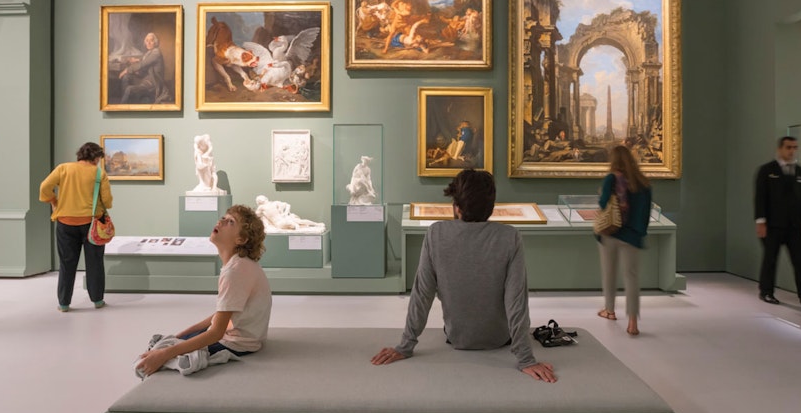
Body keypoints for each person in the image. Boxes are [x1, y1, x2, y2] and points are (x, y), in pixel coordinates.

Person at [371, 169, 557, 383]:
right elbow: (516, 302)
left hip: (457, 338)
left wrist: (405, 346)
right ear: (491, 207)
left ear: (456, 206)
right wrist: (526, 359)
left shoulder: (436, 234)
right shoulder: (509, 237)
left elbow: (422, 295)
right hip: (499, 339)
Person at [135, 205, 271, 378]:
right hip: (245, 336)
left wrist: (165, 354)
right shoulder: (240, 264)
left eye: (230, 222)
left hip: (239, 344)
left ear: (241, 239)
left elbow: (216, 332)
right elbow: (222, 314)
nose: (221, 221)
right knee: (171, 342)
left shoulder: (234, 271)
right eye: (223, 217)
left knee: (158, 355)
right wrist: (184, 333)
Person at [39, 142, 113, 312]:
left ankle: (64, 303)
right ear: (95, 158)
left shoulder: (63, 169)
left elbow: (44, 187)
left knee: (66, 264)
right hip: (92, 224)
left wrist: (53, 201)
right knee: (94, 263)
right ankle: (97, 300)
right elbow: (107, 201)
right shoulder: (98, 173)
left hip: (65, 222)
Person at [754, 136, 801, 309]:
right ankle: (766, 292)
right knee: (770, 260)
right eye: (788, 147)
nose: (792, 151)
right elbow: (760, 198)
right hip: (773, 225)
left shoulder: (799, 171)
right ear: (780, 149)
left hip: (795, 226)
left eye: (795, 147)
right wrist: (760, 221)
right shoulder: (767, 170)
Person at [596, 145, 653, 336]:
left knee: (609, 273)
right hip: (632, 235)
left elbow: (604, 203)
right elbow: (645, 212)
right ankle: (633, 322)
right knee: (632, 277)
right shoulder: (643, 183)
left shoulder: (611, 178)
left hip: (611, 232)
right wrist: (639, 232)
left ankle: (609, 310)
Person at [119, 32, 169, 104]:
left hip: (153, 81)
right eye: (147, 41)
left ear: (155, 42)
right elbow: (144, 59)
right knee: (126, 77)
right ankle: (129, 100)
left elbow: (142, 64)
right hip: (146, 78)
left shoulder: (156, 52)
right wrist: (136, 60)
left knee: (129, 88)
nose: (148, 43)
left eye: (151, 41)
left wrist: (126, 70)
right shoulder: (150, 52)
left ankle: (123, 106)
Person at [254, 194, 325, 232]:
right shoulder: (262, 207)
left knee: (300, 221)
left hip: (284, 219)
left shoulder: (274, 203)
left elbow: (287, 205)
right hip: (279, 223)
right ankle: (298, 227)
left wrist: (285, 212)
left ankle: (316, 224)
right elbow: (255, 216)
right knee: (294, 223)